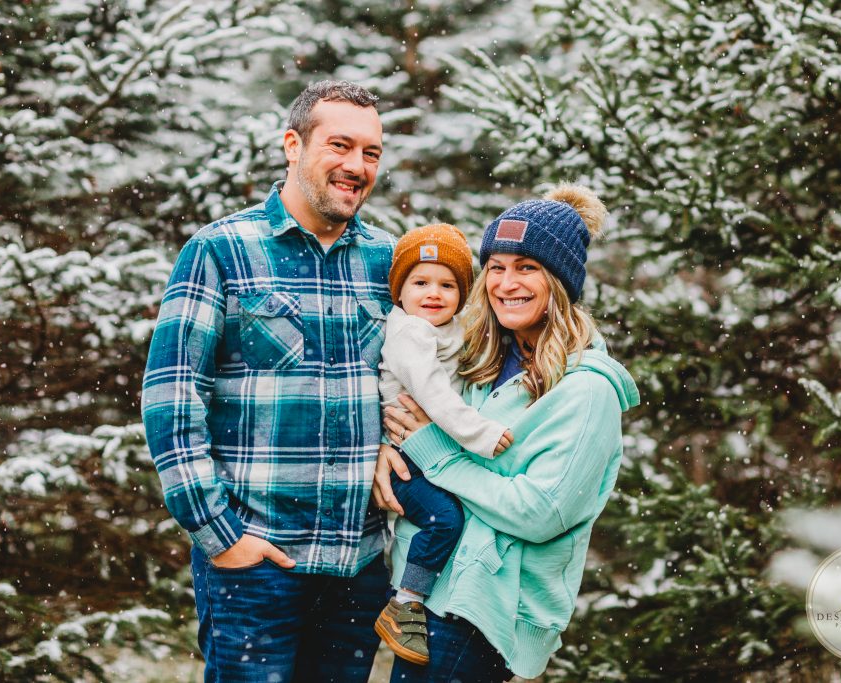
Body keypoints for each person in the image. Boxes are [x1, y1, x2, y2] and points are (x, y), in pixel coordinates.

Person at [142, 81, 396, 683]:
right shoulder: (222, 250)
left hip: (357, 569)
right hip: (255, 566)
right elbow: (172, 399)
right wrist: (221, 534)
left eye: (371, 153)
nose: (356, 167)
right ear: (292, 145)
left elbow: (416, 381)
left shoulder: (390, 261)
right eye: (340, 146)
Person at [376, 185, 641, 682]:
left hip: (485, 610)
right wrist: (387, 452)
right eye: (496, 267)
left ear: (559, 281)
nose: (505, 282)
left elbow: (539, 513)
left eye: (526, 267)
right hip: (433, 594)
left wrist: (436, 454)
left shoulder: (586, 393)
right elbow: (405, 411)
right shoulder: (478, 363)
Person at [373, 223, 514, 665]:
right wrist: (482, 434)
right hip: (403, 455)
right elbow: (434, 393)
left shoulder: (447, 328)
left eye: (447, 284)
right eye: (420, 282)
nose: (433, 293)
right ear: (400, 291)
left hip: (426, 449)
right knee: (445, 519)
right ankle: (406, 603)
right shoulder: (409, 334)